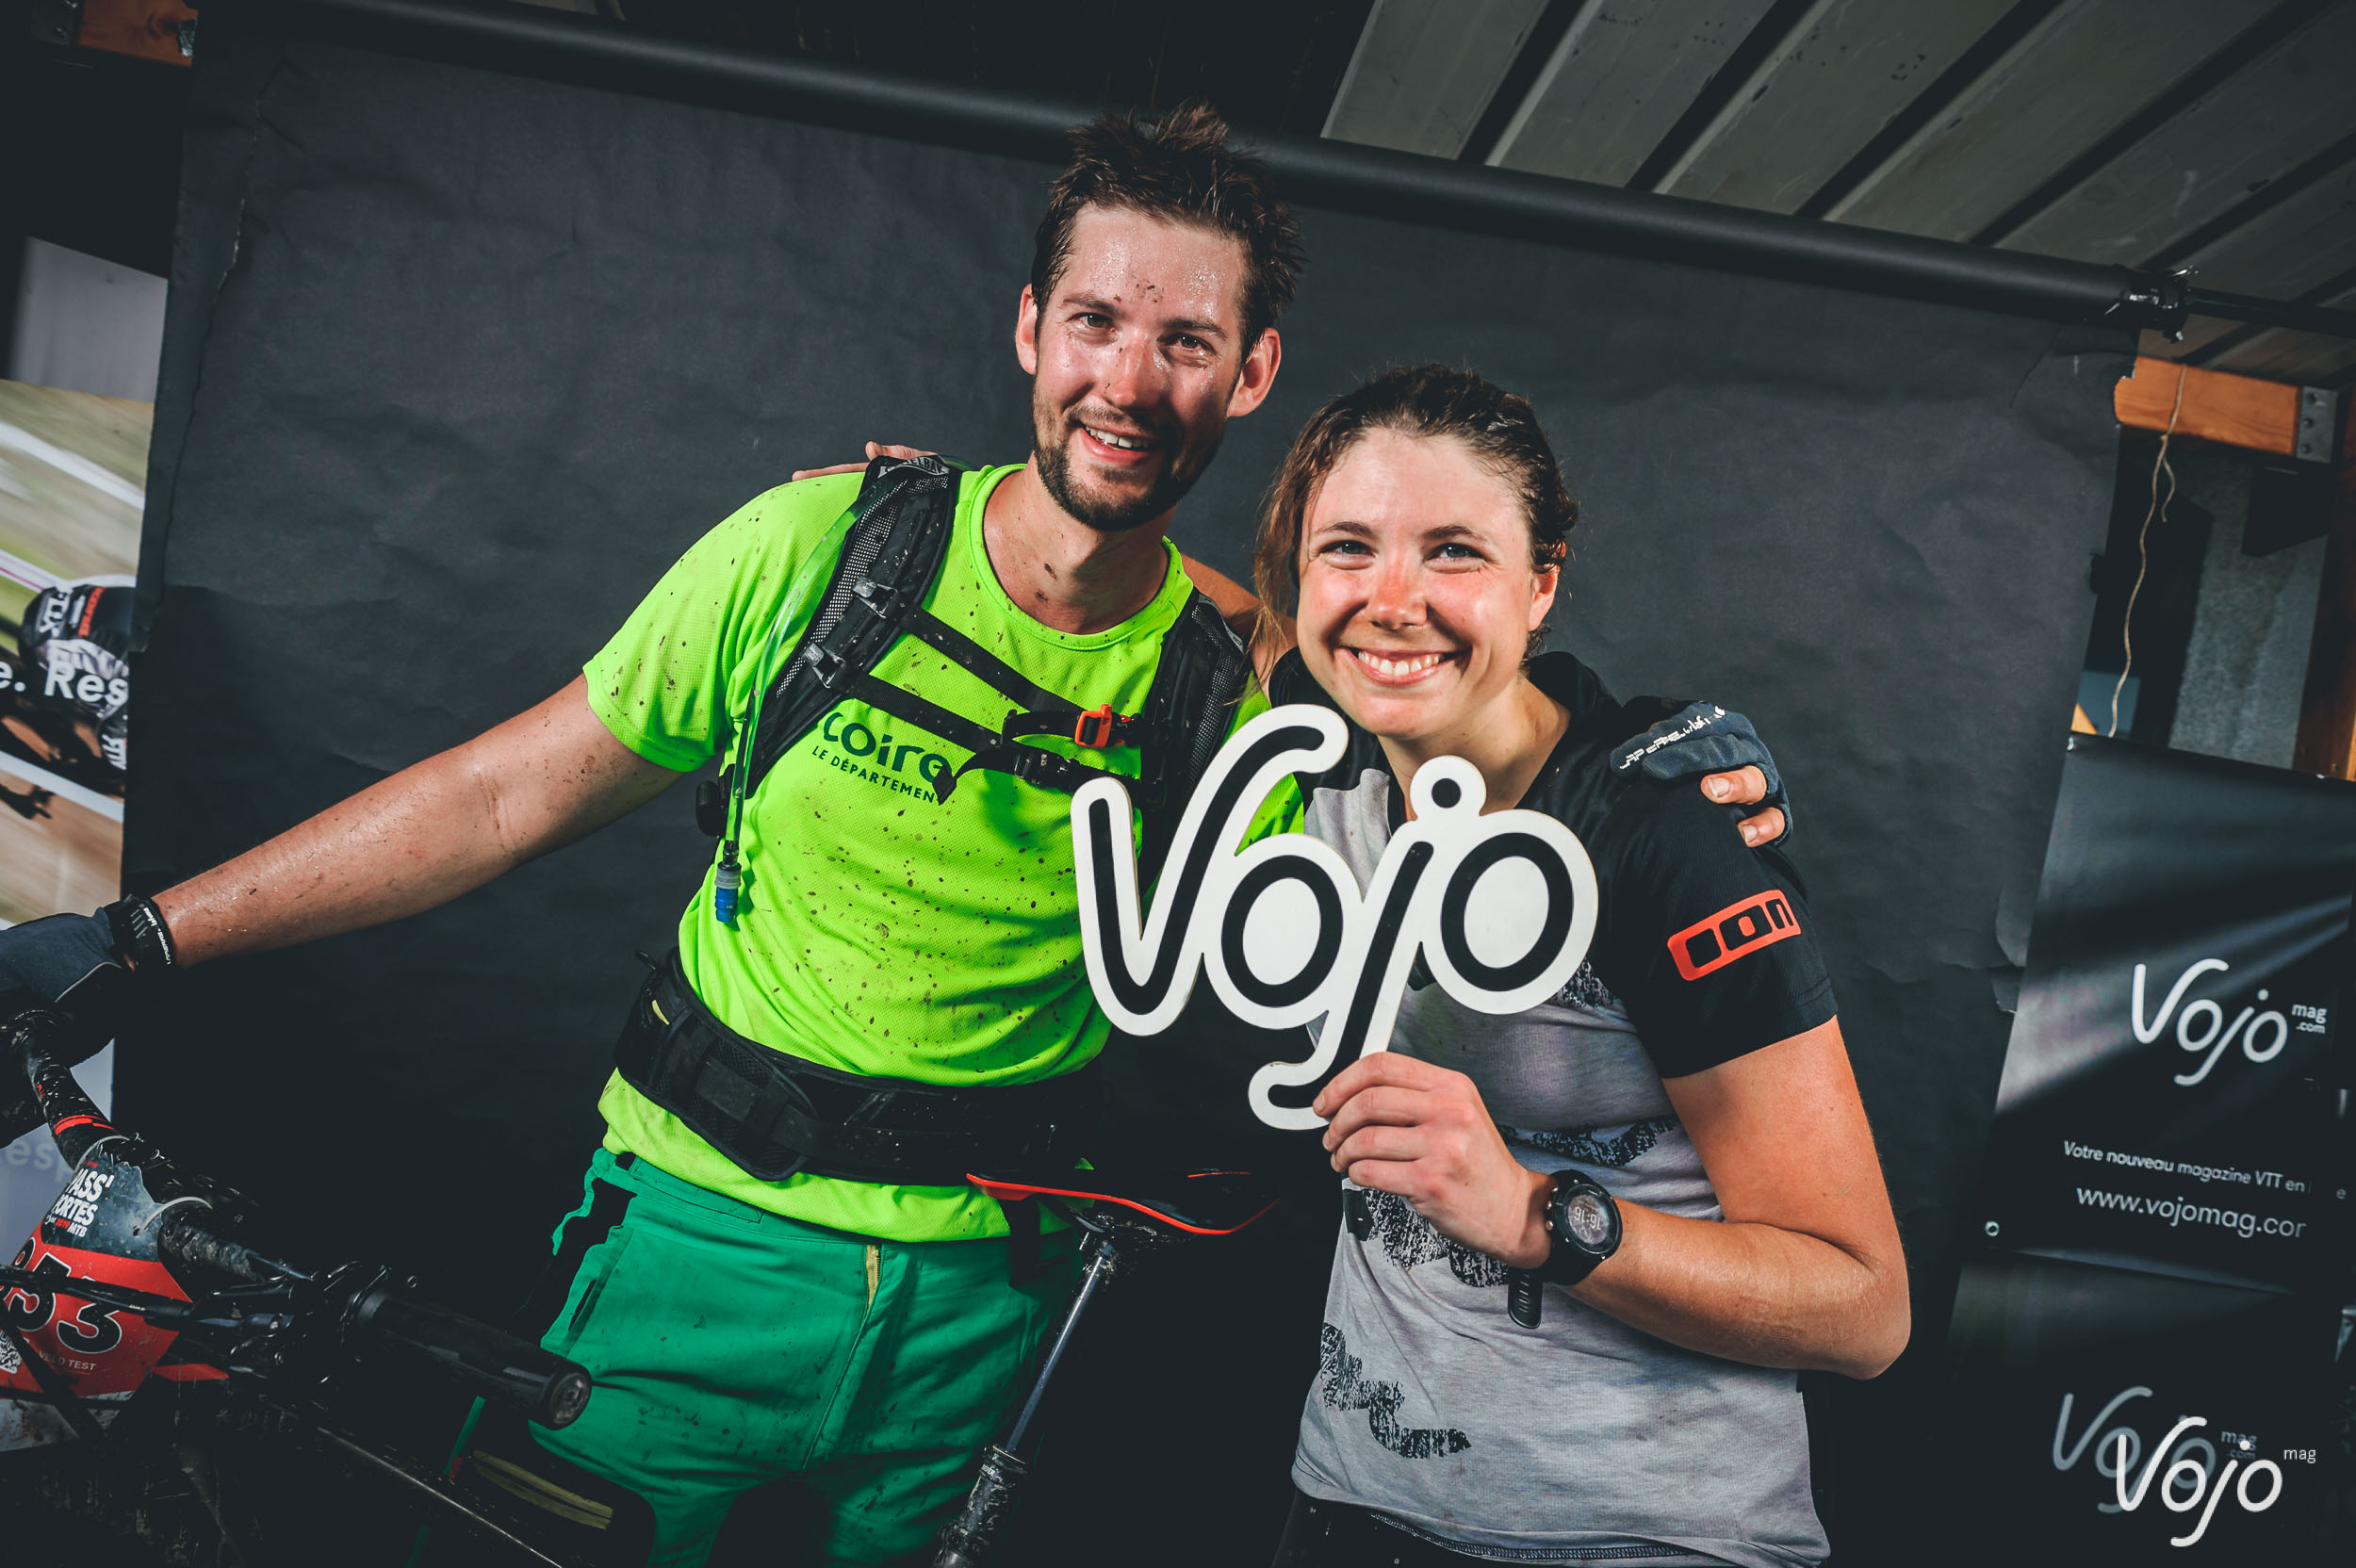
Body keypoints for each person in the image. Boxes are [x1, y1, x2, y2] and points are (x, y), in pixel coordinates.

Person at [0, 112, 1785, 1566]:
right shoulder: (824, 549)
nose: (1129, 378)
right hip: (694, 1254)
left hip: (985, 1312)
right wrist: (145, 933)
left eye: (1185, 342)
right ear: (1030, 330)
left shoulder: (1248, 682)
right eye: (1097, 323)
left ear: (1249, 375)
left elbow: (1458, 713)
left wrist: (1663, 755)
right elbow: (502, 791)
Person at [1246, 366, 1908, 1568]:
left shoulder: (1659, 833)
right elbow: (1201, 601)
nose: (1391, 602)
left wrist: (1533, 1213)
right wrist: (940, 493)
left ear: (1540, 582)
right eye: (1347, 547)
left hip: (1639, 1534)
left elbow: (1862, 1308)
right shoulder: (1322, 742)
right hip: (1349, 1496)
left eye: (1454, 551)